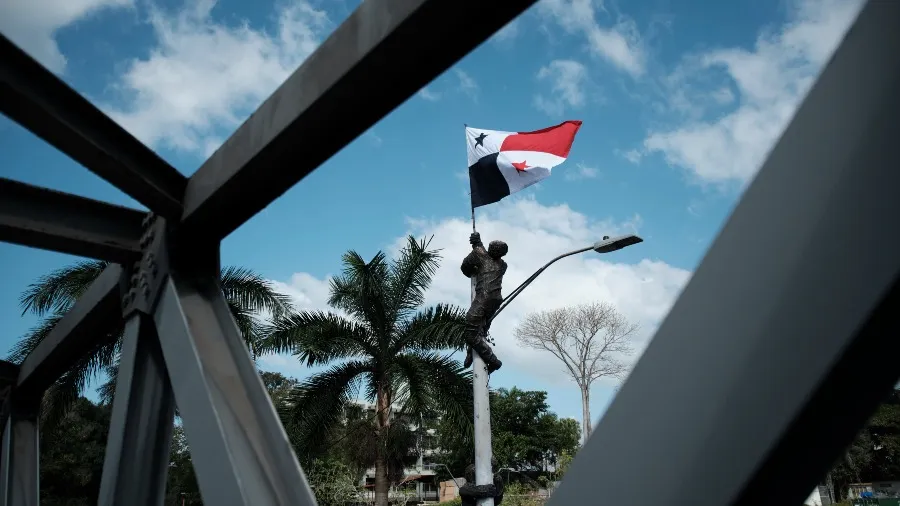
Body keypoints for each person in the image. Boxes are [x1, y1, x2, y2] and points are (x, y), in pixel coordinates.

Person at [460, 232, 506, 373]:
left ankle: (493, 361)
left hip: (483, 299)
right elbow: (481, 250)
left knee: (471, 332)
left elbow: (465, 267)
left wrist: (476, 243)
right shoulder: (503, 265)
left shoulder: (481, 256)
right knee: (480, 329)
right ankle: (471, 353)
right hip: (496, 300)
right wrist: (477, 243)